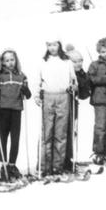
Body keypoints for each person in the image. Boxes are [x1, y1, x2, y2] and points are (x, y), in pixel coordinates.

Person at [36, 41, 76, 176]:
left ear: (59, 45)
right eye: (49, 45)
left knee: (61, 132)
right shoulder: (43, 62)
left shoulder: (67, 62)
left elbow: (73, 79)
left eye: (54, 45)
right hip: (48, 96)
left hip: (63, 96)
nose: (52, 48)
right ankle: (44, 167)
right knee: (47, 133)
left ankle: (57, 166)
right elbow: (38, 80)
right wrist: (37, 95)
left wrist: (73, 87)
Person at [0, 49, 31, 180]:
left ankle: (12, 165)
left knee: (15, 139)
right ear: (2, 62)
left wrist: (26, 91)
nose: (10, 63)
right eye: (7, 60)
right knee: (2, 138)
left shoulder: (21, 75)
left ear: (16, 60)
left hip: (16, 110)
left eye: (12, 60)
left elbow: (28, 94)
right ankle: (3, 165)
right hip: (3, 110)